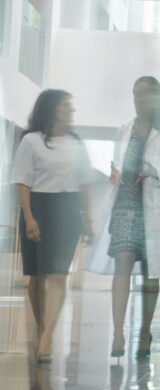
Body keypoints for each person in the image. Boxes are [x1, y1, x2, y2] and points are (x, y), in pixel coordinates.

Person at [86, 76, 160, 359]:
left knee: (150, 274)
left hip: (153, 208)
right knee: (123, 265)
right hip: (125, 204)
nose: (138, 100)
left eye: (144, 95)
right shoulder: (124, 129)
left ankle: (145, 330)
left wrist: (154, 170)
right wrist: (114, 170)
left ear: (156, 98)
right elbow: (117, 161)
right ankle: (118, 332)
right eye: (135, 94)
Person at [10, 89, 93, 363]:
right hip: (38, 207)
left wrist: (88, 220)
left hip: (68, 210)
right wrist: (29, 217)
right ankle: (43, 328)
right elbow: (23, 182)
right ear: (53, 109)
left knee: (58, 275)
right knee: (36, 279)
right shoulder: (31, 141)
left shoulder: (77, 144)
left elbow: (84, 184)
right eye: (66, 106)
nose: (71, 111)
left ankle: (45, 340)